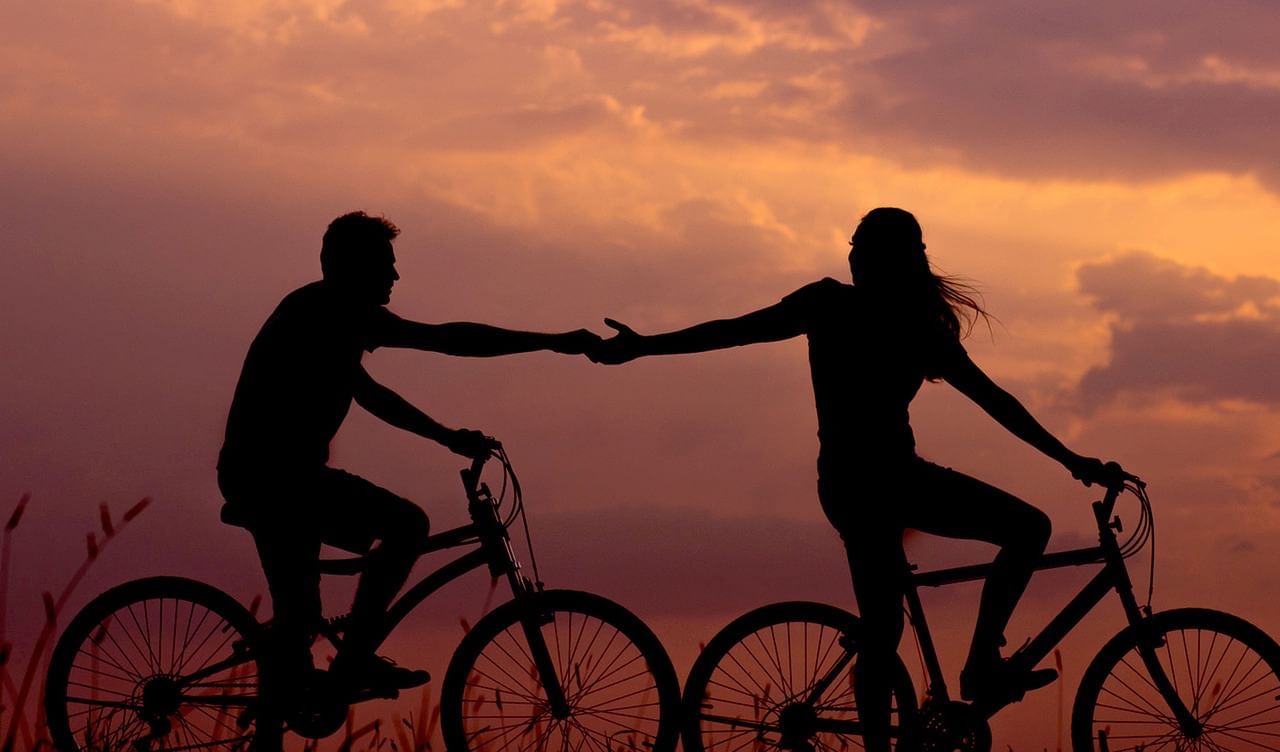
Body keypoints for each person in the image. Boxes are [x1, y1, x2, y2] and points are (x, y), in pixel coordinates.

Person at [589, 206, 1130, 752]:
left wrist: (1070, 459)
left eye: (861, 246)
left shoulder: (892, 320)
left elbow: (995, 400)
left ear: (889, 258)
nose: (851, 256)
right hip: (876, 483)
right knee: (1015, 537)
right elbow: (734, 332)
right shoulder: (848, 308)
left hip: (870, 482)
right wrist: (646, 346)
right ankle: (980, 666)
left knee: (890, 623)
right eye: (852, 246)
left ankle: (955, 685)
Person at [218, 211, 599, 698]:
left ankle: (311, 681)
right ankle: (351, 662)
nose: (395, 276)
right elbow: (446, 340)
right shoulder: (330, 311)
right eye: (385, 264)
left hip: (282, 479)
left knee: (301, 624)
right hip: (274, 481)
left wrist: (446, 436)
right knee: (406, 526)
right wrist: (553, 343)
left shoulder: (325, 317)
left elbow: (371, 394)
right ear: (354, 266)